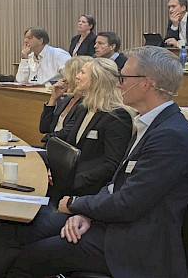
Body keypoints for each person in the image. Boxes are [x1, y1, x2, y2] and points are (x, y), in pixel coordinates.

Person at [0, 46, 188, 278]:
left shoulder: (170, 136)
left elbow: (128, 202)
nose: (118, 84)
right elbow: (116, 185)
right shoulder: (153, 125)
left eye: (123, 78)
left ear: (146, 84)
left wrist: (76, 205)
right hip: (113, 224)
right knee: (9, 232)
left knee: (24, 255)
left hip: (131, 244)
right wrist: (86, 214)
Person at [48, 57, 132, 203]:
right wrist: (56, 169)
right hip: (67, 183)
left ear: (96, 79)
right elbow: (70, 146)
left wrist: (73, 180)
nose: (76, 76)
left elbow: (112, 164)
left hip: (89, 191)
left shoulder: (117, 116)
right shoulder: (83, 108)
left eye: (82, 72)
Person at [39, 56, 91, 145]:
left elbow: (66, 134)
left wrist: (47, 137)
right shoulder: (67, 99)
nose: (64, 79)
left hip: (63, 149)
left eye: (66, 75)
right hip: (51, 146)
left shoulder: (85, 104)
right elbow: (44, 128)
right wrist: (53, 99)